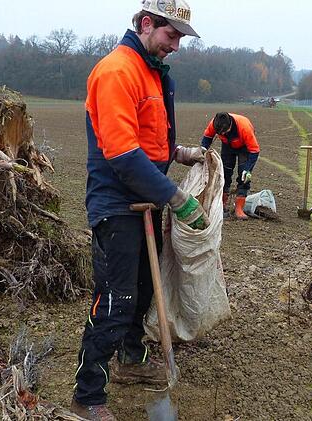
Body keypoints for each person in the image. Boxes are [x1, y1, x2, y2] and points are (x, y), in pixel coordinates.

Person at [73, 2, 203, 419]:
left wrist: (177, 153)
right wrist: (177, 198)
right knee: (116, 299)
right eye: (172, 35)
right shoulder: (117, 71)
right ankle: (88, 394)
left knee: (145, 291)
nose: (176, 45)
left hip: (144, 200)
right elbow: (124, 154)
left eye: (181, 37)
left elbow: (146, 136)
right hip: (116, 203)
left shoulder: (151, 69)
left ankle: (130, 360)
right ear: (147, 24)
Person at [200, 112, 260, 220]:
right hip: (227, 146)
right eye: (219, 133)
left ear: (230, 126)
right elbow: (207, 138)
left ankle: (239, 209)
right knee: (224, 175)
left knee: (243, 176)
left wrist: (248, 169)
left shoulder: (244, 128)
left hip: (244, 147)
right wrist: (202, 152)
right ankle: (221, 206)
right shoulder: (214, 124)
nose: (221, 133)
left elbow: (254, 151)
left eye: (224, 132)